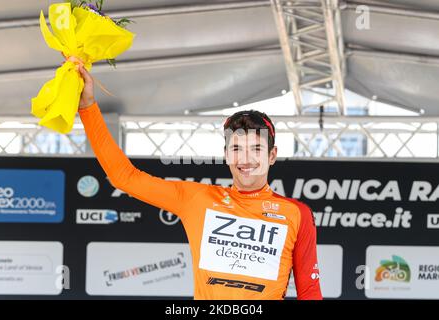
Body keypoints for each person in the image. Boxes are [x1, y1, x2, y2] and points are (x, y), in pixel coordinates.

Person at [77, 65, 322, 300]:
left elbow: (309, 292)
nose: (246, 159)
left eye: (256, 149)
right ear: (226, 155)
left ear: (272, 155)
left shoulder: (296, 214)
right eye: (236, 148)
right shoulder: (198, 199)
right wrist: (87, 107)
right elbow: (124, 177)